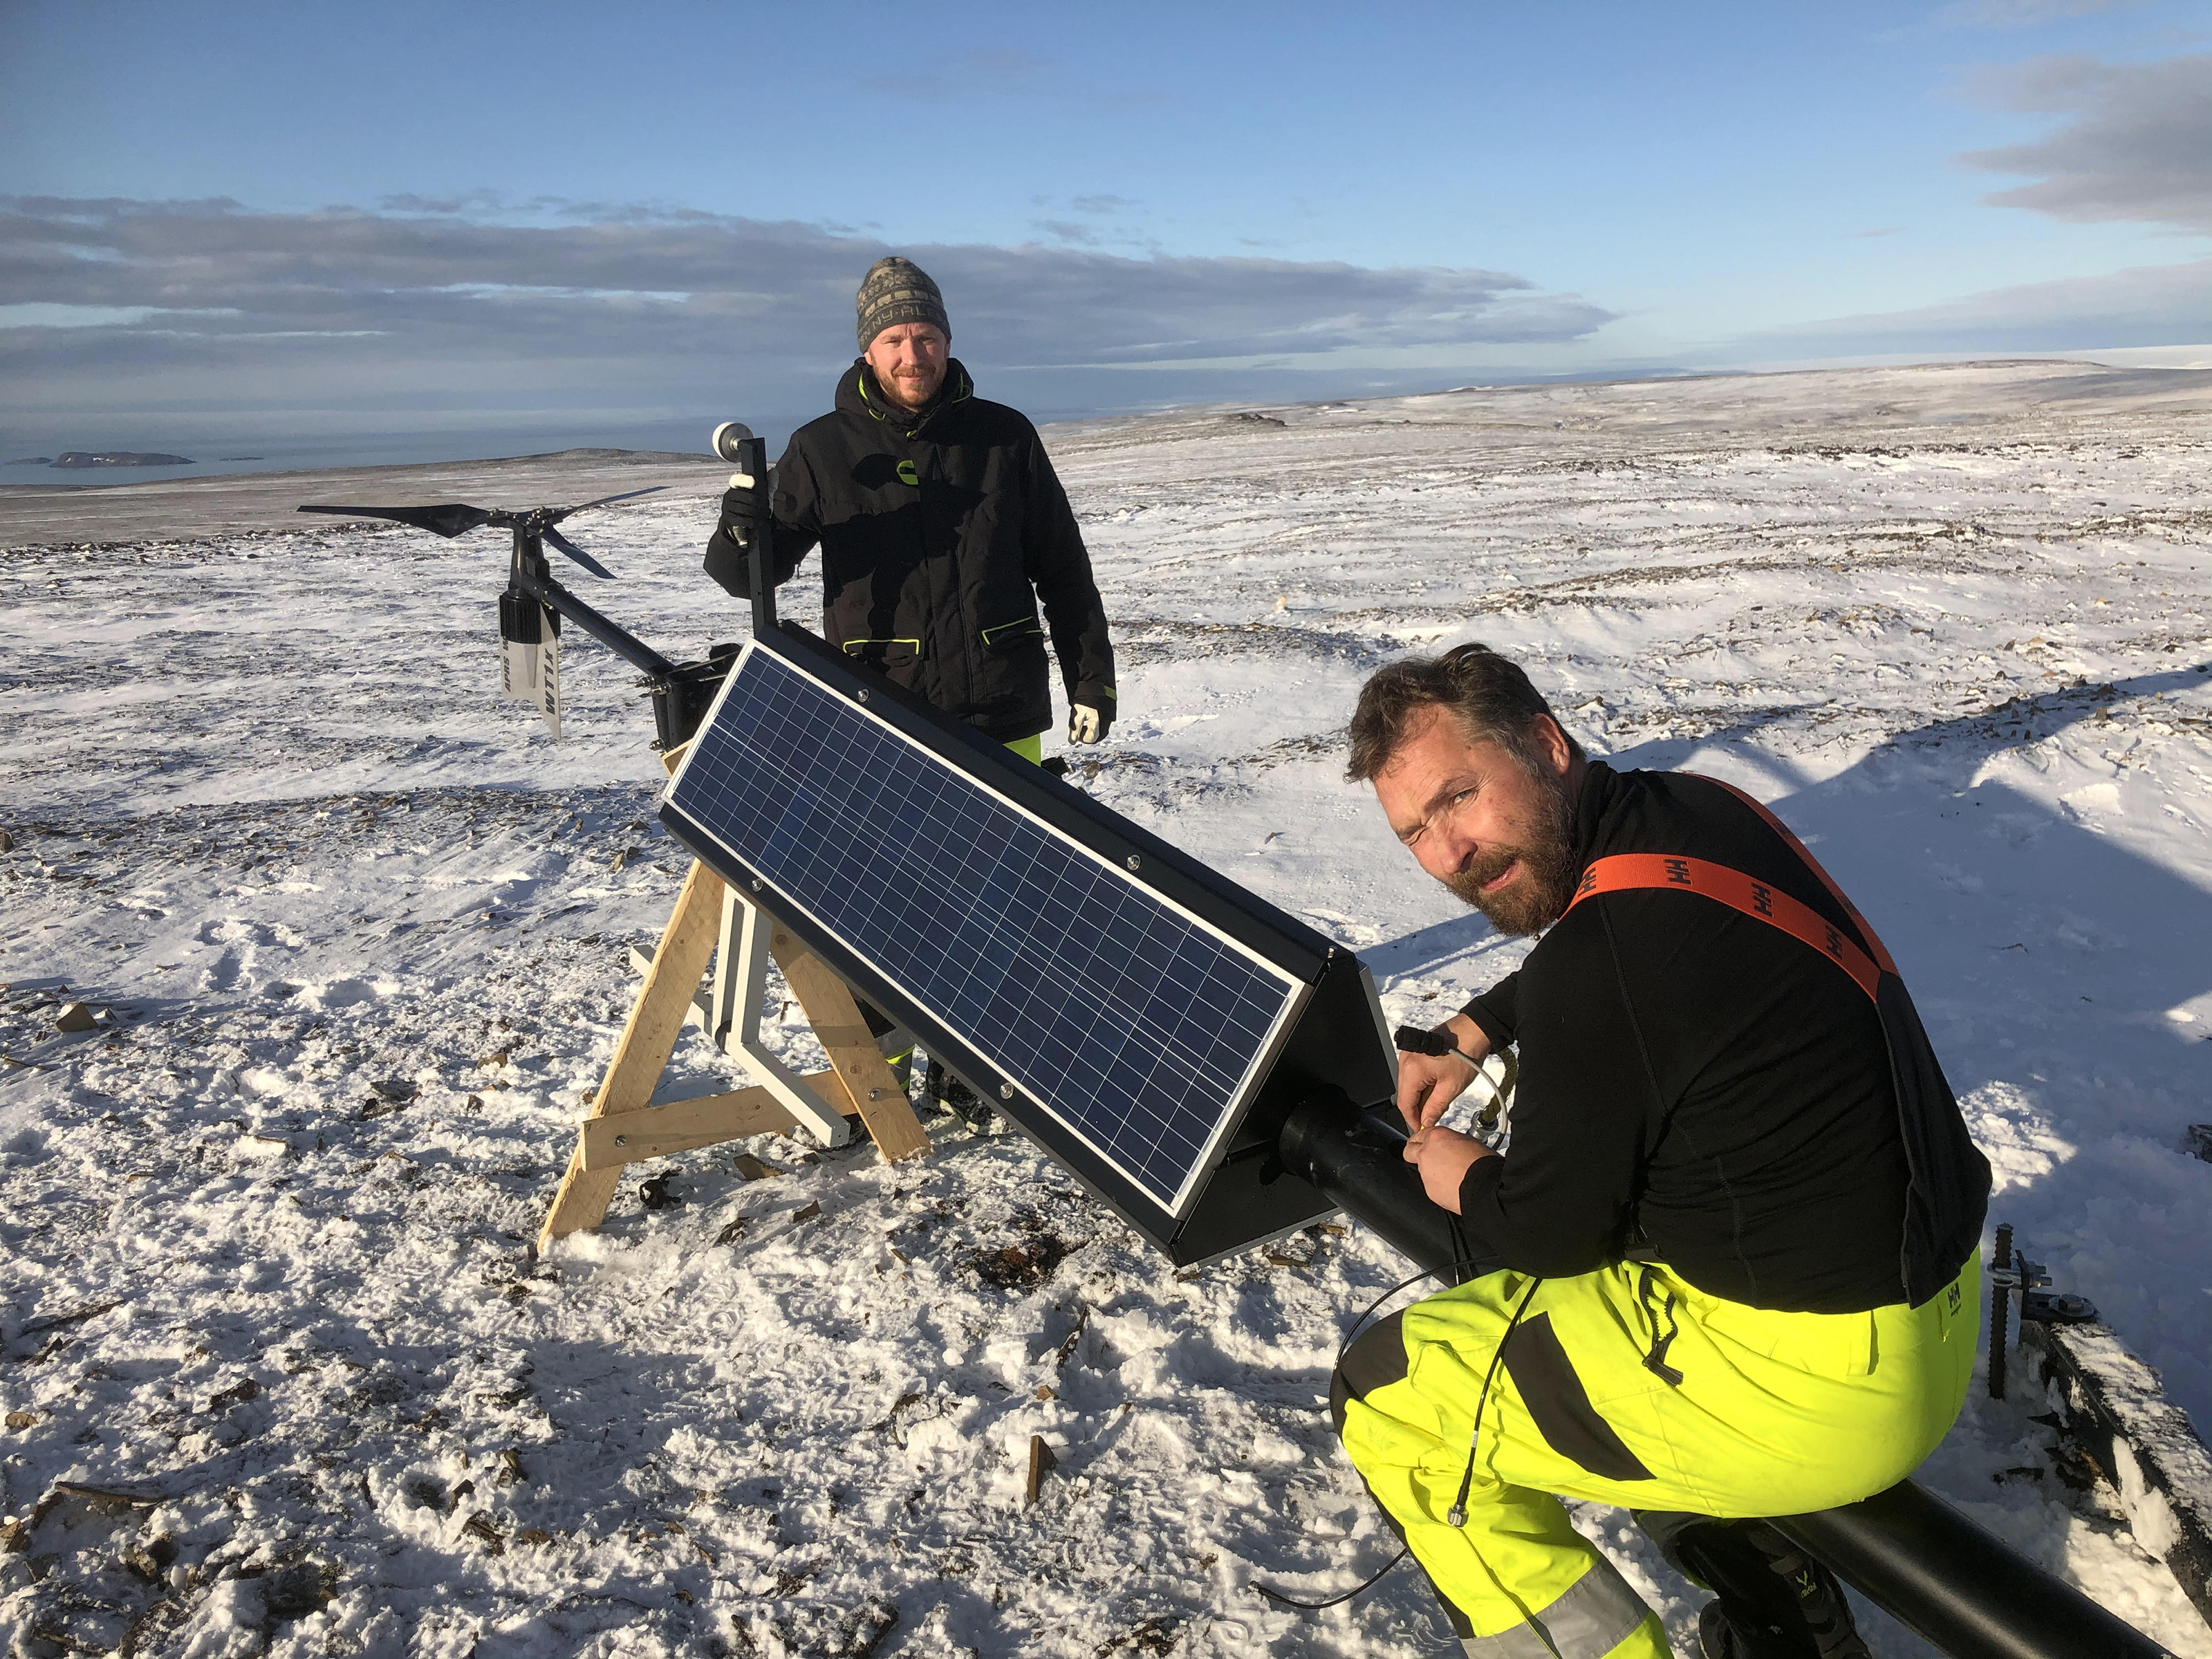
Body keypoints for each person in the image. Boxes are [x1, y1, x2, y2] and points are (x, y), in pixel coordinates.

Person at [1332, 644, 1991, 1659]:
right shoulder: (1699, 810)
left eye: (1458, 796)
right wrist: (1474, 1027)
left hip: (1819, 1391)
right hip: (1938, 1307)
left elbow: (1548, 1230)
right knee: (1602, 1336)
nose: (1448, 854)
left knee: (1391, 1394)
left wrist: (1459, 1173)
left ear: (1544, 744)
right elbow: (1615, 945)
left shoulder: (1600, 974)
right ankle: (1776, 1605)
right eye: (1414, 829)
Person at [705, 255, 1117, 763]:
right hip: (882, 712)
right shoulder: (821, 449)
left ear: (947, 342)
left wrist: (1093, 680)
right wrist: (737, 530)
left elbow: (1063, 571)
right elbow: (748, 580)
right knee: (899, 844)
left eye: (925, 338)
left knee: (1004, 844)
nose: (912, 356)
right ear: (867, 351)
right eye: (893, 341)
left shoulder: (1006, 437)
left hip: (1001, 709)